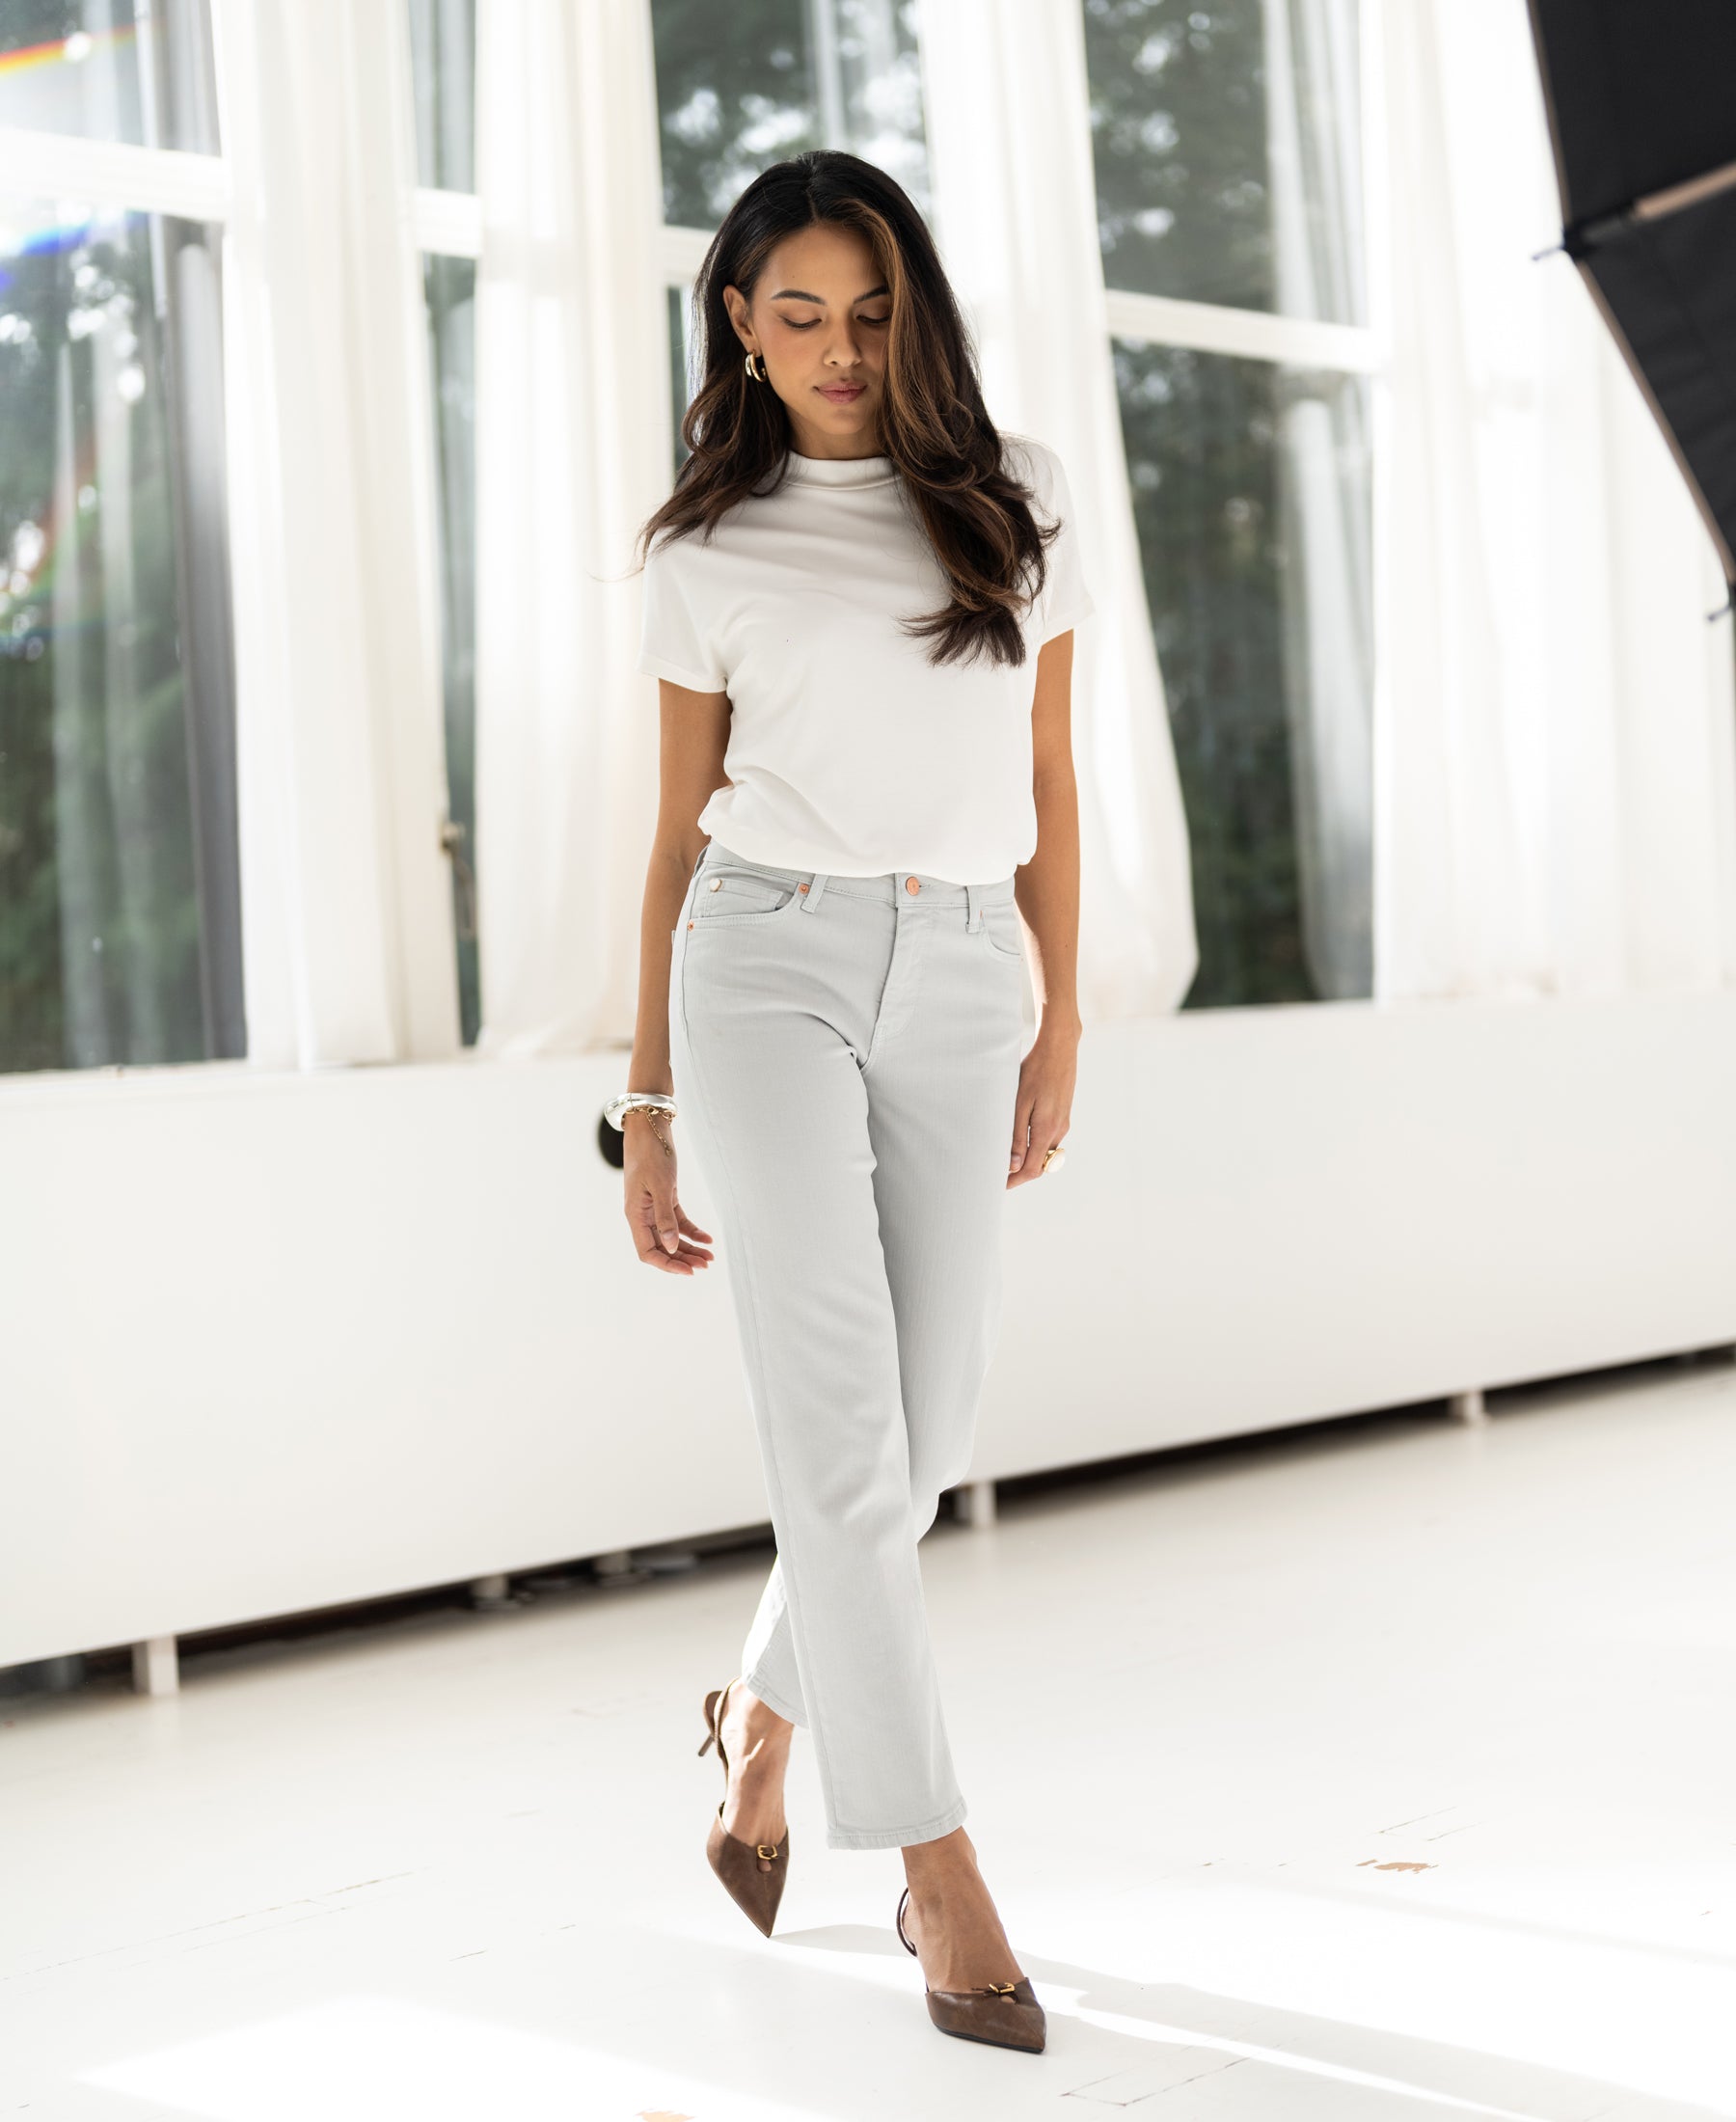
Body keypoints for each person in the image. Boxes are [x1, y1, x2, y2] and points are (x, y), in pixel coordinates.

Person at [612, 149, 1091, 2056]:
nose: (836, 347)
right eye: (796, 310)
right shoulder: (704, 552)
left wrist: (1065, 1022)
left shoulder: (1020, 502)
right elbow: (669, 832)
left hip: (973, 970)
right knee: (836, 1424)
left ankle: (762, 1722)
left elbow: (1052, 785)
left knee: (922, 1420)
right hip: (764, 963)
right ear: (737, 317)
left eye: (870, 311)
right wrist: (645, 1100)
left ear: (917, 316)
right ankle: (940, 1862)